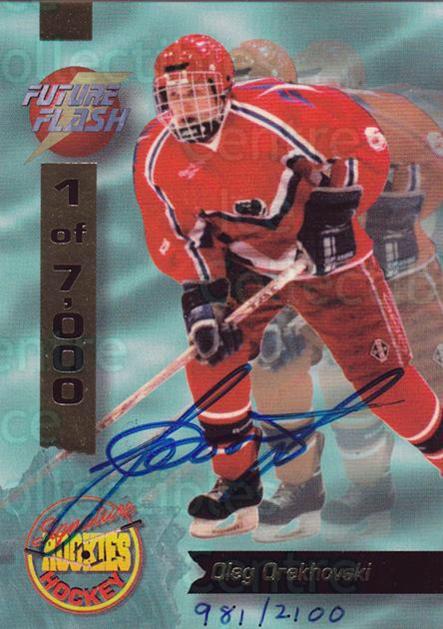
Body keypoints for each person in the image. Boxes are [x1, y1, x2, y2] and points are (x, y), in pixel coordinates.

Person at [133, 34, 443, 539]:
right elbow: (178, 236)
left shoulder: (281, 112)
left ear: (225, 88)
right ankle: (238, 484)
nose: (186, 107)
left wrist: (334, 210)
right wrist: (203, 301)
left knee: (380, 378)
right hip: (246, 262)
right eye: (175, 95)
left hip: (328, 261)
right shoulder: (155, 152)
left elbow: (364, 141)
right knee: (211, 358)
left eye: (198, 91)